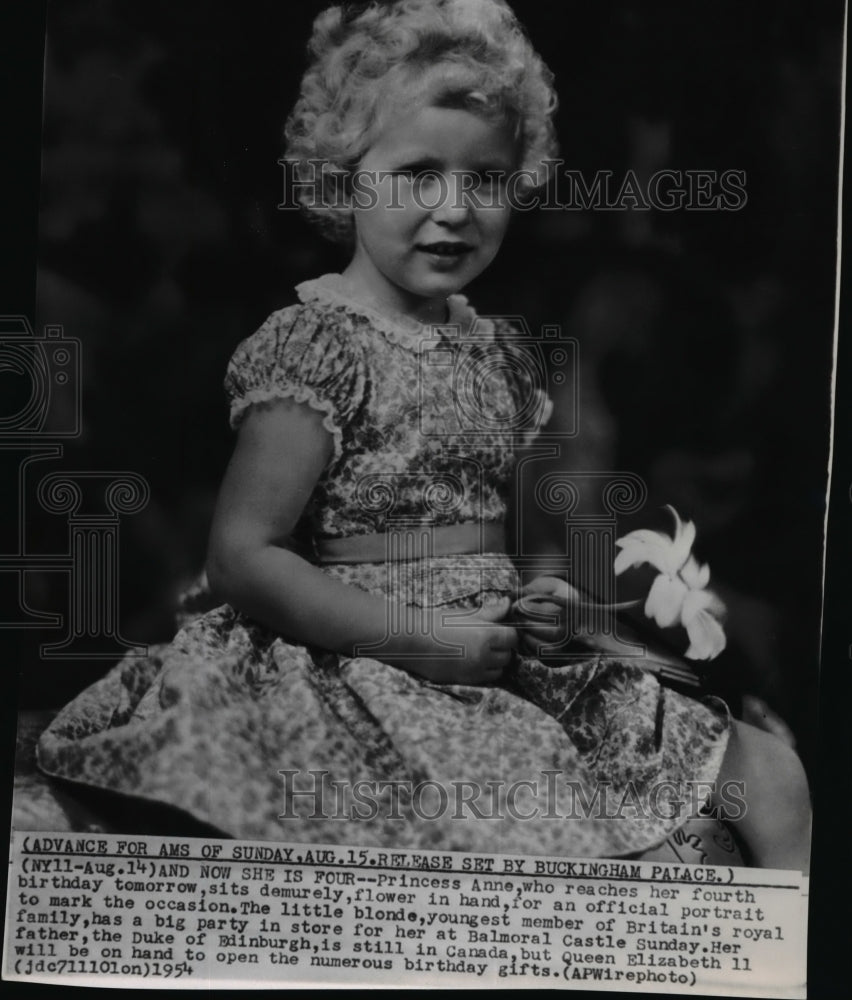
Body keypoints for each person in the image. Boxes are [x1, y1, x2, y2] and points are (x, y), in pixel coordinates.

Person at [37, 0, 810, 870]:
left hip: (498, 648)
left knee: (770, 773)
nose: (453, 209)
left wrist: (548, 600)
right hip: (367, 657)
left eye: (483, 178)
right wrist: (412, 637)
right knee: (521, 811)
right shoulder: (321, 345)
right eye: (416, 174)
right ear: (345, 177)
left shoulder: (504, 355)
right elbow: (243, 555)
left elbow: (520, 539)